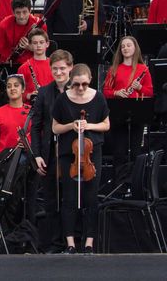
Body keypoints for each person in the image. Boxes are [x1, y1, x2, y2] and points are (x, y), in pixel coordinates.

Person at [52, 64, 110, 254]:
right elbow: (55, 128)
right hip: (70, 155)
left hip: (92, 154)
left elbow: (106, 125)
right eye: (76, 85)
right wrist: (71, 125)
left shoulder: (98, 97)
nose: (81, 88)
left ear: (90, 80)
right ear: (71, 82)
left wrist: (89, 126)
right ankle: (70, 242)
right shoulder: (62, 99)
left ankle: (89, 243)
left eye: (84, 84)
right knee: (69, 198)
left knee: (91, 197)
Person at [29, 49, 73, 253]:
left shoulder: (78, 89)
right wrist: (36, 155)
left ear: (70, 68)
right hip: (50, 152)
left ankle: (73, 241)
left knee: (71, 198)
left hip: (74, 153)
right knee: (52, 200)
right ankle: (56, 243)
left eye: (62, 68)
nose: (58, 72)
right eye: (55, 69)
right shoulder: (45, 93)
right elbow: (36, 127)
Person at [102, 36, 152, 179]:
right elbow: (105, 91)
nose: (125, 48)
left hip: (137, 112)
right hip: (119, 112)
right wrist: (116, 92)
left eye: (129, 45)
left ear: (135, 48)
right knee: (119, 151)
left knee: (136, 151)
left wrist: (140, 87)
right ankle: (119, 182)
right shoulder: (114, 69)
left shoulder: (143, 69)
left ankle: (136, 183)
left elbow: (150, 92)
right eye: (123, 46)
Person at [0, 0, 44, 85]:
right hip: (10, 66)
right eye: (18, 12)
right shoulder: (4, 25)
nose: (21, 16)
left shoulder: (40, 24)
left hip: (33, 67)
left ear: (30, 11)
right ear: (13, 12)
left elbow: (46, 51)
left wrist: (29, 47)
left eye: (25, 12)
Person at [0, 74, 29, 153]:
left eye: (16, 85)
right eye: (9, 86)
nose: (12, 88)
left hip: (28, 159)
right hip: (3, 160)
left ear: (23, 89)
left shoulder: (31, 112)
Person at [17, 28, 54, 98]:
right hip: (31, 106)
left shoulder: (54, 65)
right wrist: (29, 95)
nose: (38, 45)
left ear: (47, 44)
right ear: (30, 45)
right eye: (35, 43)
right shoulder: (23, 68)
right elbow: (18, 93)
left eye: (41, 42)